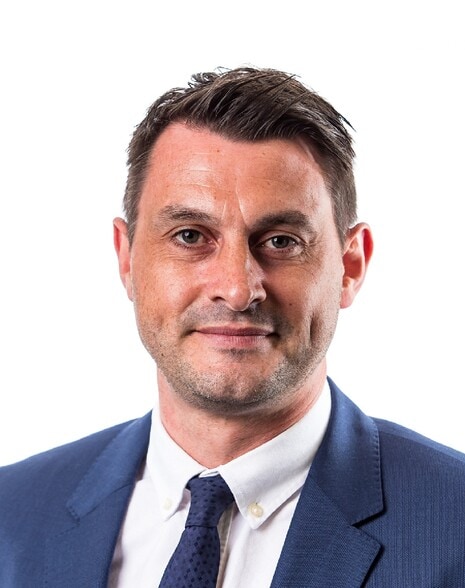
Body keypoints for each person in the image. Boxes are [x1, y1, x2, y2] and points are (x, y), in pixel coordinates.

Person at [1, 66, 464, 588]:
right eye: (190, 235)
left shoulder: (454, 527)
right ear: (126, 258)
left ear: (350, 266)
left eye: (282, 241)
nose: (238, 289)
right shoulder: (10, 516)